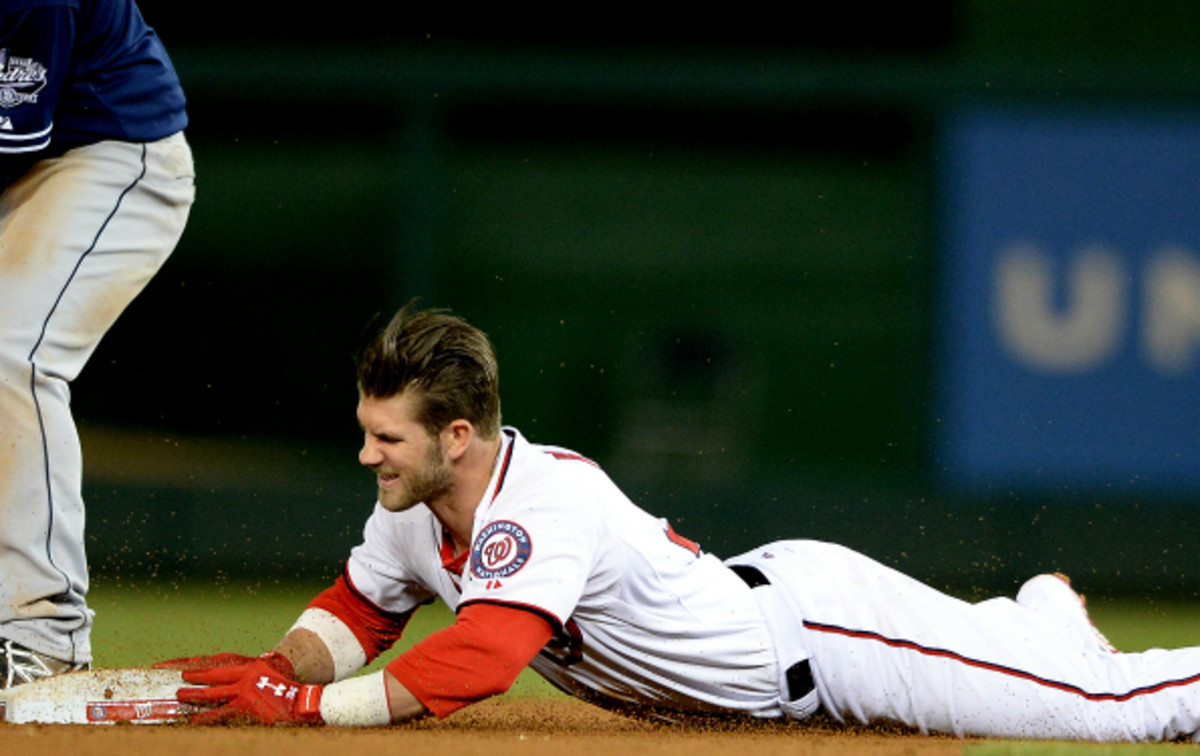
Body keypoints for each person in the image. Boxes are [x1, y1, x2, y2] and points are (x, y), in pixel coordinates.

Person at [167, 303, 1200, 741]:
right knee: (1036, 668)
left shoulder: (542, 502)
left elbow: (482, 658)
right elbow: (359, 609)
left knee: (1107, 712)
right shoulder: (409, 505)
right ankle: (1038, 618)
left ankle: (1052, 638)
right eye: (366, 430)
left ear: (462, 435)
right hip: (767, 659)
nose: (366, 455)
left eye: (388, 438)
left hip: (821, 639)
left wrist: (304, 714)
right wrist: (286, 662)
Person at [0, 0, 194, 688]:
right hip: (36, 161)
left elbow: (14, 140)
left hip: (112, 155)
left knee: (11, 352)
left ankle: (44, 632)